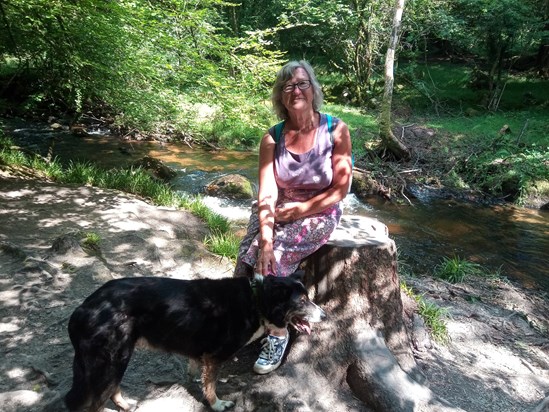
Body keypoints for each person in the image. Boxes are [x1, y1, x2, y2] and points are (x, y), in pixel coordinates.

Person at [234, 60, 353, 374]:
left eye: (302, 83)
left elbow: (341, 188)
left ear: (313, 90)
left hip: (321, 208)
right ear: (280, 97)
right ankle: (246, 322)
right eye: (288, 86)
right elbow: (267, 193)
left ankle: (278, 332)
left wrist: (301, 211)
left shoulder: (336, 129)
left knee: (277, 263)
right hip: (278, 207)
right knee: (251, 257)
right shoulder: (272, 138)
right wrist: (266, 238)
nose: (295, 90)